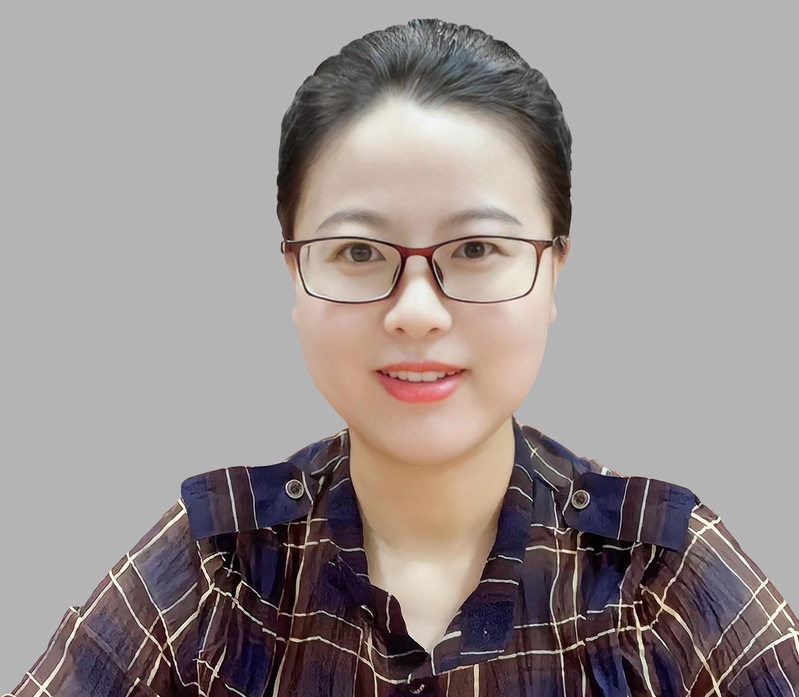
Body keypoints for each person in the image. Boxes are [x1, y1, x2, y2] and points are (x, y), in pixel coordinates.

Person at [5, 17, 797, 697]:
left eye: (476, 247)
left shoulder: (656, 575)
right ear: (293, 270)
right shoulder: (219, 565)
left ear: (554, 267)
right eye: (357, 251)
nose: (416, 312)